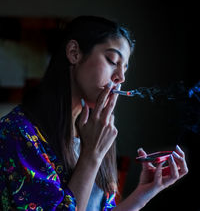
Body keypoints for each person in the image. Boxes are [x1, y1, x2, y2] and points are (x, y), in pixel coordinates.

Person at [0, 16, 188, 211]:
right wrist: (92, 155)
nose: (120, 78)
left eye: (125, 69)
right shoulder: (17, 132)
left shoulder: (93, 130)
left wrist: (143, 193)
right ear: (74, 53)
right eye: (112, 60)